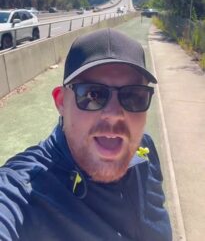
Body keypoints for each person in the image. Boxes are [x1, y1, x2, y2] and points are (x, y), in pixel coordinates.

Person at [0, 28, 172, 241]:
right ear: (61, 102)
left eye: (133, 96)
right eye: (93, 94)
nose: (114, 114)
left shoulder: (145, 148)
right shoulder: (24, 192)